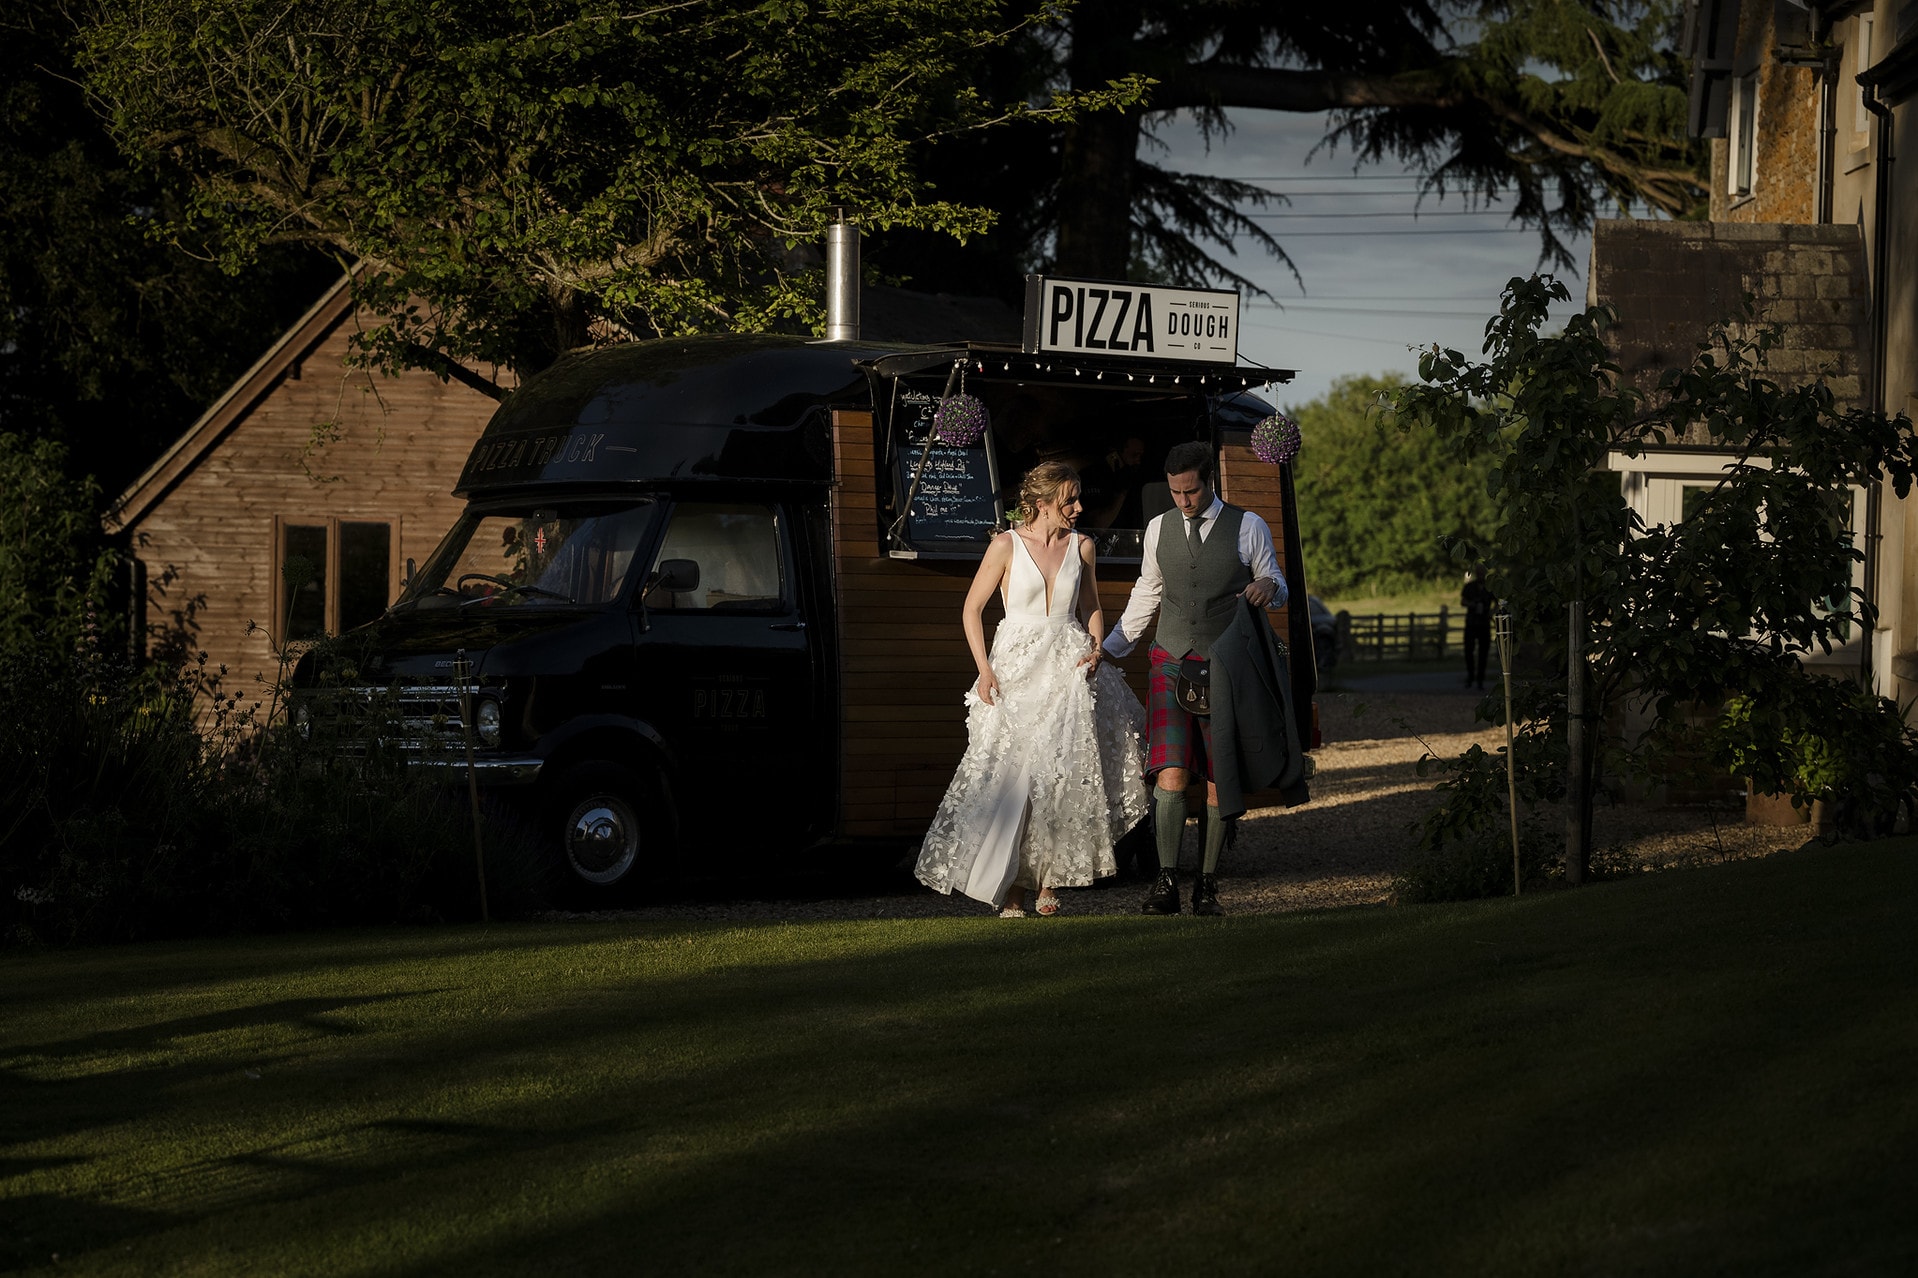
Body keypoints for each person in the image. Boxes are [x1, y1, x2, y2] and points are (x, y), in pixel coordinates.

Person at [914, 462, 1149, 917]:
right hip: (1017, 669)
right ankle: (1011, 889)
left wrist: (1098, 649)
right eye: (1070, 501)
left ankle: (1045, 880)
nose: (1079, 508)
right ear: (1041, 504)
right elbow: (971, 609)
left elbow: (1092, 605)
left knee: (1057, 778)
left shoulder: (1082, 545)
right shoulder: (1005, 545)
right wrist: (984, 670)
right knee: (1016, 781)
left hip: (1067, 666)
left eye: (1078, 498)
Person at [1102, 441, 1286, 916]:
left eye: (1192, 491)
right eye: (1175, 492)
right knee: (1170, 771)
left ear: (1210, 481)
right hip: (1168, 657)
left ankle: (1207, 885)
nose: (1183, 501)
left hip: (1226, 662)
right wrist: (1110, 648)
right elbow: (1149, 589)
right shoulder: (1158, 527)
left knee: (1219, 776)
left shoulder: (1249, 526)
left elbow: (1276, 582)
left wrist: (1269, 586)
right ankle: (1166, 882)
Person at [1461, 568, 1494, 689]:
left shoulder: (1489, 588)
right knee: (1468, 651)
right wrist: (1473, 604)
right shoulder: (1470, 587)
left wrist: (1491, 611)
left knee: (1483, 653)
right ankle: (1470, 676)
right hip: (1471, 623)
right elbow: (1463, 601)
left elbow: (1496, 603)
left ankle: (1480, 679)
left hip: (1484, 623)